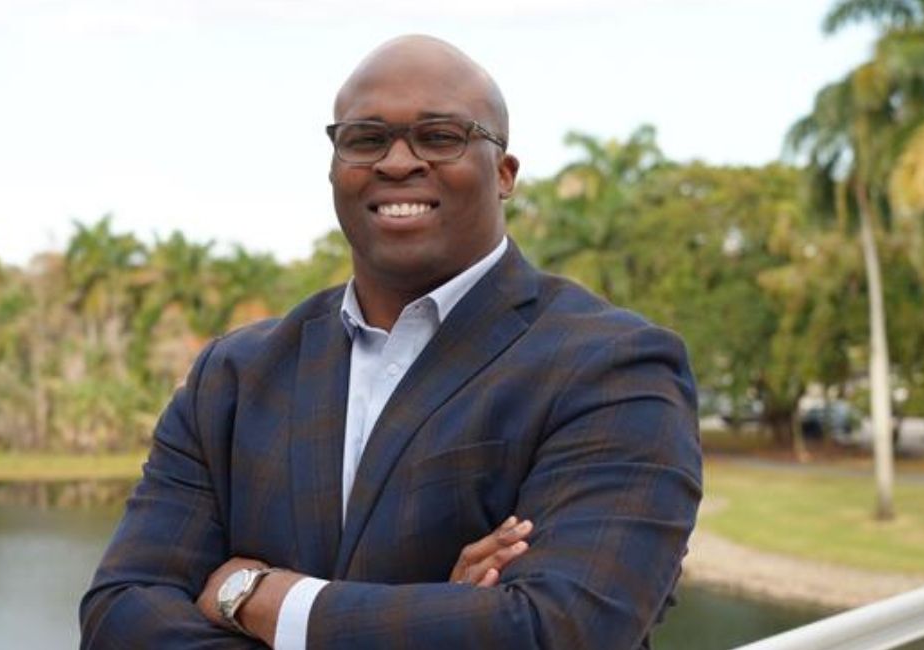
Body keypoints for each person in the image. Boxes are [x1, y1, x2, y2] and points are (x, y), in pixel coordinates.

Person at [80, 34, 702, 649]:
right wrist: (443, 616)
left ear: (505, 173)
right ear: (334, 167)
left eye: (439, 136)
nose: (398, 162)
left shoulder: (613, 368)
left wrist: (255, 596)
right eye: (366, 139)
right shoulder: (235, 377)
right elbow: (119, 618)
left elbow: (561, 631)